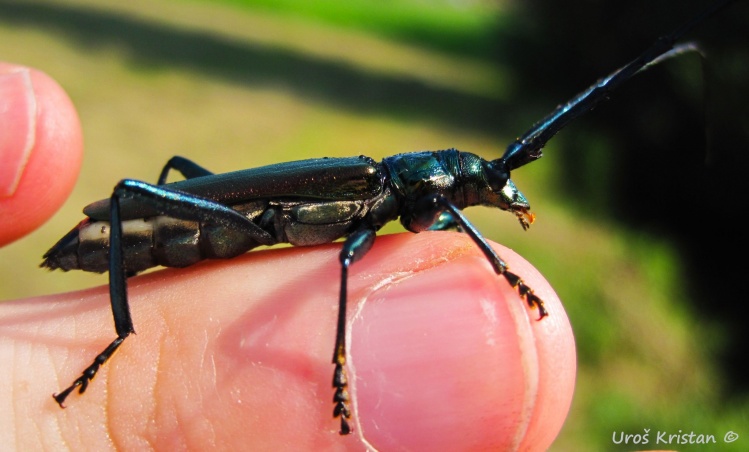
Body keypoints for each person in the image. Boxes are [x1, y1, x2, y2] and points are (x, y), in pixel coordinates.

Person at [0, 62, 575, 450]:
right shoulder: (371, 184)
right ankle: (121, 333)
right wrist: (500, 271)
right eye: (483, 188)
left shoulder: (406, 196)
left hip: (237, 224)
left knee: (166, 177)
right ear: (444, 185)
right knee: (138, 192)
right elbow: (356, 258)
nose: (495, 195)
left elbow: (444, 216)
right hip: (217, 221)